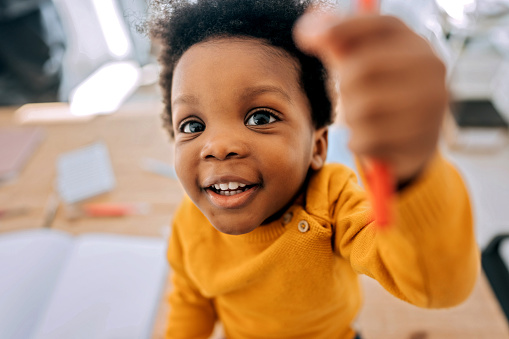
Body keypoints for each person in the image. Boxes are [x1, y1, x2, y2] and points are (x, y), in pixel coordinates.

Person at [148, 0, 480, 338]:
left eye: (260, 118)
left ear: (318, 146)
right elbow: (191, 301)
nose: (217, 146)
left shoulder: (332, 203)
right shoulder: (189, 226)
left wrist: (411, 176)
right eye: (192, 125)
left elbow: (437, 287)